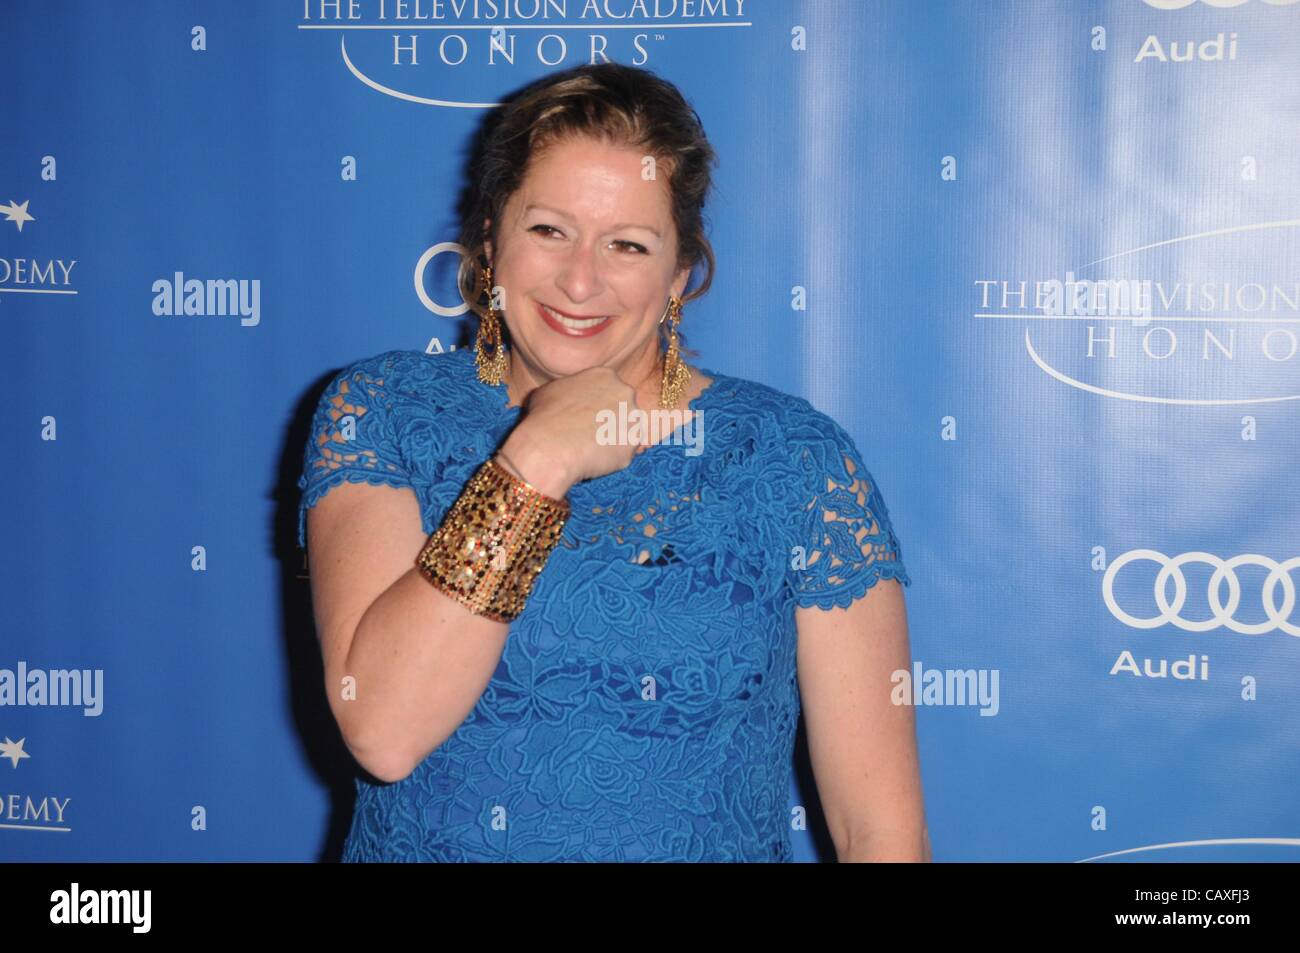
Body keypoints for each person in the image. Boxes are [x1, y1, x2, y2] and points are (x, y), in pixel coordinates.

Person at [296, 62, 928, 862]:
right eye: (548, 229)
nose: (580, 279)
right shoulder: (383, 410)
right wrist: (535, 461)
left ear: (679, 275)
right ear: (490, 238)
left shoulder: (790, 458)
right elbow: (382, 729)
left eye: (627, 244)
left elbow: (879, 831)